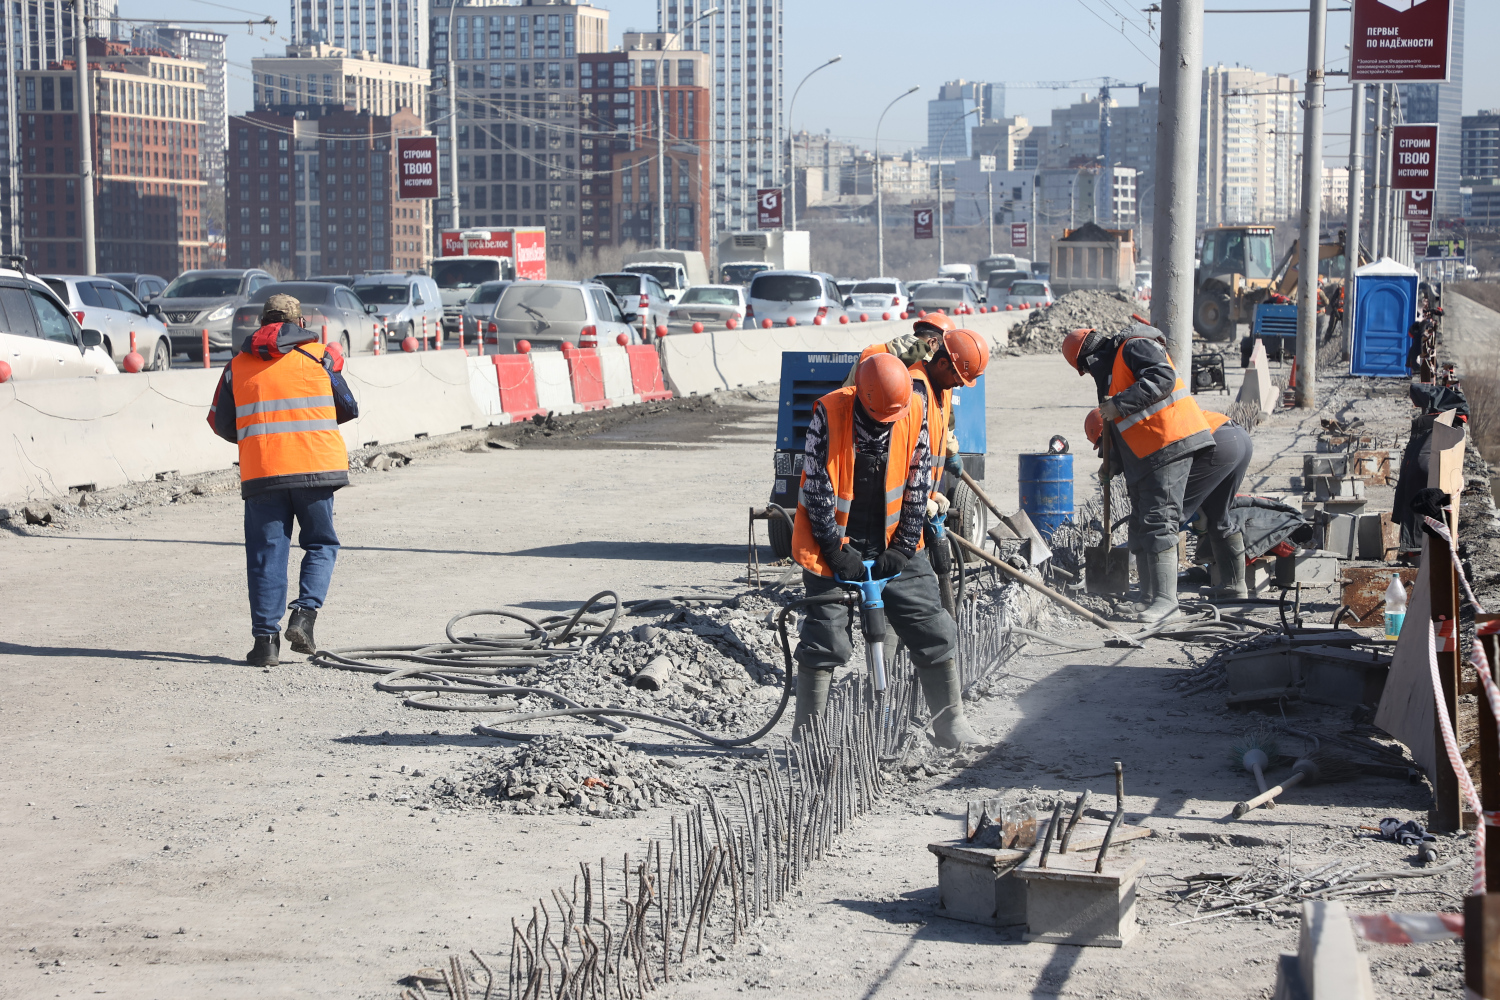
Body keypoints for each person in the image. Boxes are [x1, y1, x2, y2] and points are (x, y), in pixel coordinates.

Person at [791, 352, 979, 748]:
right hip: (834, 543)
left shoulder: (912, 408)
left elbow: (916, 483)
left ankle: (951, 724)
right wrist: (836, 550)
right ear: (862, 398)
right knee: (826, 638)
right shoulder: (830, 412)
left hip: (893, 537)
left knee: (933, 626)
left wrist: (905, 545)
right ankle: (808, 742)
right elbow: (818, 486)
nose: (883, 428)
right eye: (877, 422)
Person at [208, 294, 359, 667]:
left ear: (261, 325)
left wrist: (261, 434)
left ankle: (265, 644)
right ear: (299, 324)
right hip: (316, 468)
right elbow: (348, 406)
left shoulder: (236, 366)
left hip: (263, 471)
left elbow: (221, 423)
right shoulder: (321, 357)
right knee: (321, 544)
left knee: (265, 555)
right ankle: (304, 618)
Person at [1062, 323, 1213, 624]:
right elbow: (1118, 427)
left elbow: (1163, 378)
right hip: (1147, 455)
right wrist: (1112, 463)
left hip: (1170, 442)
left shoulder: (1133, 346)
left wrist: (1118, 404)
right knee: (1141, 524)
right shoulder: (1112, 373)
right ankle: (1149, 598)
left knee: (1159, 520)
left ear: (1089, 360)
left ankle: (1167, 603)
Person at [1084, 407, 1252, 601]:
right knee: (1218, 516)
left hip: (1216, 446)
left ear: (1108, 431)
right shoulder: (1136, 421)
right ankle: (1234, 586)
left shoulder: (1133, 432)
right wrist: (1113, 462)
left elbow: (1149, 489)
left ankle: (1153, 598)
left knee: (1161, 520)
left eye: (1108, 448)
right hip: (1237, 438)